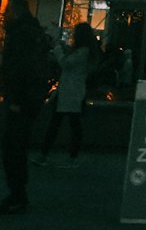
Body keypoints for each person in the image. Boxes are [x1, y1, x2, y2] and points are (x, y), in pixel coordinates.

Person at [0, 0, 51, 216]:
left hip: (21, 100)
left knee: (13, 147)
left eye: (7, 10)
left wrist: (17, 100)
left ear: (15, 10)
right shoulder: (30, 32)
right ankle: (18, 194)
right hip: (26, 99)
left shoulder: (21, 34)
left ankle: (18, 195)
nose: (4, 14)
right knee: (15, 147)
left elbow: (20, 68)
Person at [32, 21, 101, 166]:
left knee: (57, 125)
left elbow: (65, 63)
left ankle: (45, 154)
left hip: (69, 92)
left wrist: (57, 48)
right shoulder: (85, 52)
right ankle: (70, 156)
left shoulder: (82, 52)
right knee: (72, 125)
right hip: (73, 93)